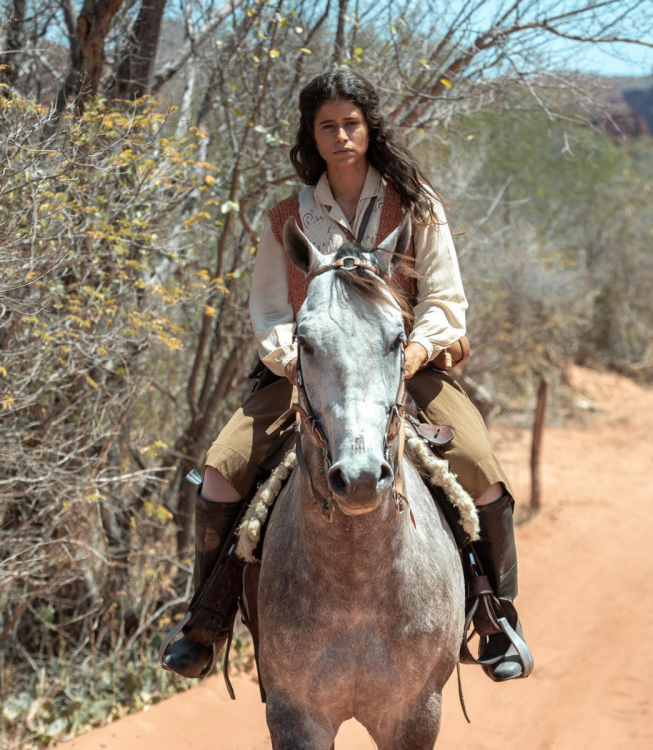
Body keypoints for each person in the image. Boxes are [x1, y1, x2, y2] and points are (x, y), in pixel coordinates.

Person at [160, 69, 532, 683]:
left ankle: (496, 619)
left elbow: (445, 299)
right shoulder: (286, 217)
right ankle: (207, 618)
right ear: (312, 136)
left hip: (408, 369)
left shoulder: (417, 204)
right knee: (222, 472)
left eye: (350, 123)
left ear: (369, 128)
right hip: (309, 371)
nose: (340, 135)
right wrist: (296, 360)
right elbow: (271, 311)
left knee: (482, 473)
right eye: (327, 125)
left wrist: (413, 353)